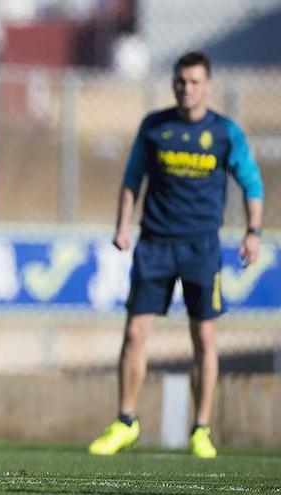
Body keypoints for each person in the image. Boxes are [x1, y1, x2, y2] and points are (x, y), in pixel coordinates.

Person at [88, 51, 264, 459]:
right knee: (135, 333)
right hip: (155, 245)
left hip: (202, 247)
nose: (186, 88)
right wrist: (122, 225)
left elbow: (251, 183)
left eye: (195, 82)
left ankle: (201, 429)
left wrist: (252, 232)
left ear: (208, 85)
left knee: (204, 337)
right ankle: (125, 422)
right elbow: (133, 178)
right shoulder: (155, 127)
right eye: (180, 81)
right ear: (173, 84)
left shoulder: (224, 132)